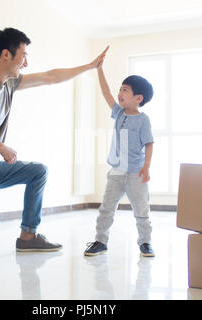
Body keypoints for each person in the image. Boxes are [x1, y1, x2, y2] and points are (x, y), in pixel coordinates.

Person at [0, 27, 108, 258]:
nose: (26, 63)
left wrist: (89, 67)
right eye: (24, 56)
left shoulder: (9, 83)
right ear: (6, 55)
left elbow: (49, 77)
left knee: (38, 172)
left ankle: (28, 237)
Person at [84, 45, 155, 257]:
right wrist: (99, 69)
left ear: (138, 98)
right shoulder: (119, 113)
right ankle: (100, 241)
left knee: (141, 211)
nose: (119, 92)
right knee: (106, 209)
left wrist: (146, 167)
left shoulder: (143, 120)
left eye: (125, 90)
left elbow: (149, 144)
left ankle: (145, 243)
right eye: (120, 89)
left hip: (135, 173)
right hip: (116, 173)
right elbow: (106, 92)